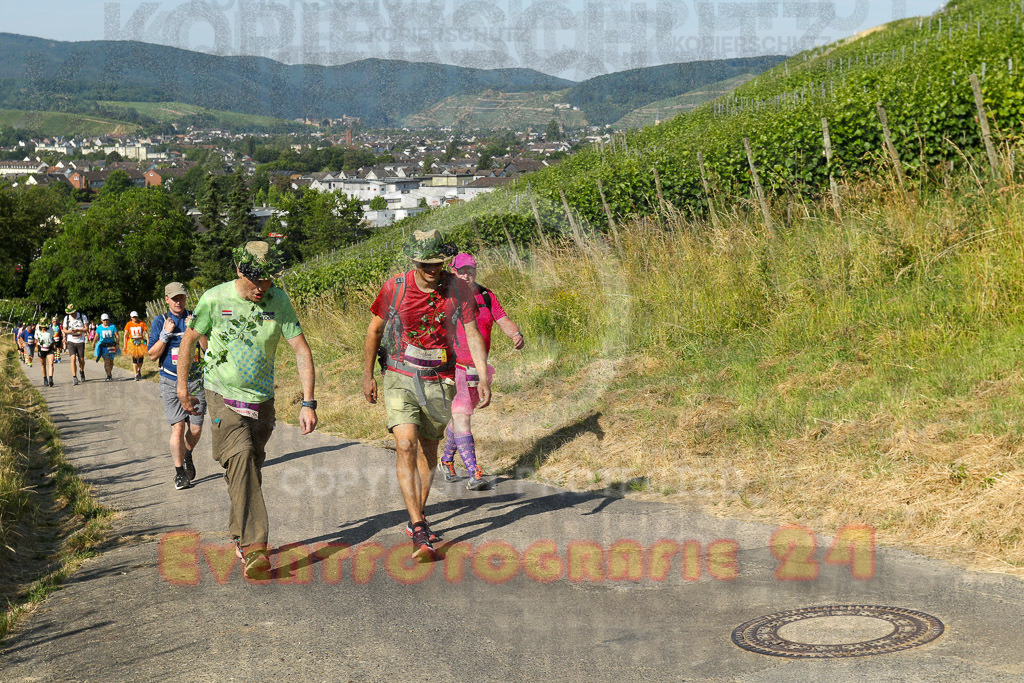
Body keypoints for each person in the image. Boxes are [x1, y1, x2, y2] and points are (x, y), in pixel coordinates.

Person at [177, 241, 318, 579]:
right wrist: (183, 388)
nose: (262, 287)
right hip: (221, 395)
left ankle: (239, 531)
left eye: (268, 279)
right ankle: (256, 547)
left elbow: (300, 348)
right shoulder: (214, 298)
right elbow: (188, 340)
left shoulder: (278, 300)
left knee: (249, 467)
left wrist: (308, 401)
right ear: (239, 271)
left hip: (262, 400)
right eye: (256, 280)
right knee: (239, 458)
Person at [363, 229, 490, 561]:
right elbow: (375, 329)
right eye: (425, 263)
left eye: (437, 262)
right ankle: (419, 526)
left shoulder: (458, 288)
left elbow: (472, 332)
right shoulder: (396, 287)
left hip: (440, 378)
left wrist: (482, 374)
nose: (432, 269)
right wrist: (367, 375)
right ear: (413, 260)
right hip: (400, 373)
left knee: (428, 451)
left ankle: (415, 516)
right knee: (404, 442)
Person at [438, 253, 525, 490]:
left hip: (478, 367)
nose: (467, 275)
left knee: (460, 416)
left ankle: (446, 460)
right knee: (462, 416)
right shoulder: (446, 297)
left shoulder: (486, 295)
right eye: (462, 271)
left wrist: (515, 334)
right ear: (452, 271)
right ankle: (474, 472)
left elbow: (501, 317)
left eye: (471, 270)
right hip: (454, 367)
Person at [148, 284, 207, 491]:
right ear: (166, 300)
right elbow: (153, 355)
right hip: (170, 380)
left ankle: (187, 453)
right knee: (178, 427)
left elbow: (208, 349)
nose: (178, 301)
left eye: (181, 297)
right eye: (174, 298)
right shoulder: (159, 321)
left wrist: (196, 330)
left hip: (196, 380)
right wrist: (166, 334)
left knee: (196, 429)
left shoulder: (195, 316)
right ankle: (179, 473)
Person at [62, 305, 89, 385]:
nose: (71, 314)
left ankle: (82, 371)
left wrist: (79, 330)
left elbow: (86, 328)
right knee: (72, 359)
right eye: (69, 313)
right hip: (71, 341)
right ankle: (74, 377)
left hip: (80, 341)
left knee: (81, 360)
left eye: (72, 313)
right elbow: (64, 329)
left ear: (75, 311)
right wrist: (69, 331)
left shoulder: (82, 316)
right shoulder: (66, 318)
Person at [123, 311, 149, 381]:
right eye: (133, 317)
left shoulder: (142, 323)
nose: (135, 318)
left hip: (141, 343)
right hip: (132, 343)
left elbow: (146, 333)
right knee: (134, 360)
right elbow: (125, 335)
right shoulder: (128, 324)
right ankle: (135, 374)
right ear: (131, 318)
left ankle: (138, 370)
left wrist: (148, 341)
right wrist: (124, 345)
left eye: (136, 317)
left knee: (140, 360)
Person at [94, 314, 119, 381]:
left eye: (107, 320)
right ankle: (108, 375)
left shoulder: (112, 326)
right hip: (104, 347)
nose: (106, 321)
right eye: (104, 320)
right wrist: (93, 343)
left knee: (111, 361)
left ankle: (109, 372)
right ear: (101, 320)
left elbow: (117, 335)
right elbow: (96, 336)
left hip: (112, 345)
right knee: (106, 360)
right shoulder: (99, 327)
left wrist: (117, 343)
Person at [35, 317, 57, 386]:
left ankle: (50, 379)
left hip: (49, 348)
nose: (43, 328)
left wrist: (54, 345)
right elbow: (36, 341)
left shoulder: (50, 329)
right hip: (41, 349)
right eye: (42, 327)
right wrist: (37, 349)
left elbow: (52, 337)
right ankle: (45, 379)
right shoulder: (37, 330)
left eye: (44, 327)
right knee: (43, 365)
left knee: (51, 363)